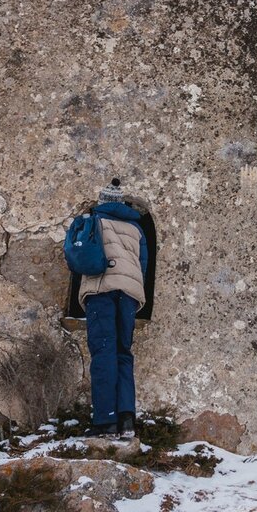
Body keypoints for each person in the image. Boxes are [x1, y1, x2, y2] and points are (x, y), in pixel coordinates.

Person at [79, 178, 148, 438]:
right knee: (123, 353)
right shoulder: (136, 229)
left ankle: (105, 421)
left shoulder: (94, 221)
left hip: (101, 291)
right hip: (129, 294)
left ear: (102, 201)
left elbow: (81, 256)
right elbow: (142, 265)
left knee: (103, 353)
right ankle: (127, 420)